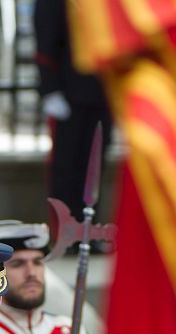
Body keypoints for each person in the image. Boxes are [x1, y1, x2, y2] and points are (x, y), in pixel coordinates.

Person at [34, 0, 112, 224]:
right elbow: (46, 33)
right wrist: (49, 88)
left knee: (95, 165)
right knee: (66, 165)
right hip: (67, 90)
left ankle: (88, 228)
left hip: (101, 91)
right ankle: (65, 230)